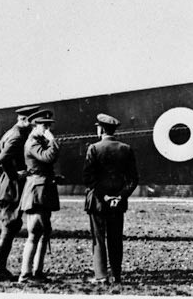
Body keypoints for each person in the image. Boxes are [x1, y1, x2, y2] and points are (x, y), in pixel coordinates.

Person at [82, 113, 139, 284]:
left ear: (100, 129)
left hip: (98, 202)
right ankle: (116, 275)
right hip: (118, 203)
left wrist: (105, 196)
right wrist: (120, 196)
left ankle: (101, 275)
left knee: (99, 239)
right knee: (115, 239)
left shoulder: (93, 148)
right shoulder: (126, 149)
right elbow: (133, 179)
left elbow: (88, 178)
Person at [0, 104, 39, 281]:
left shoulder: (11, 133)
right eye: (33, 122)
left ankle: (0, 267)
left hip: (9, 186)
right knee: (9, 226)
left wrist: (1, 181)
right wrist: (14, 177)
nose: (35, 125)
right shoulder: (17, 136)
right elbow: (3, 159)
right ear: (25, 120)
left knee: (11, 226)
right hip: (13, 188)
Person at [18, 109, 60, 284]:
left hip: (43, 189)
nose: (48, 128)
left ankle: (37, 271)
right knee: (35, 232)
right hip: (37, 191)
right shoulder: (33, 143)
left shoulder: (39, 141)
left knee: (44, 232)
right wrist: (53, 140)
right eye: (44, 125)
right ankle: (26, 274)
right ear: (35, 126)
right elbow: (48, 157)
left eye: (49, 125)